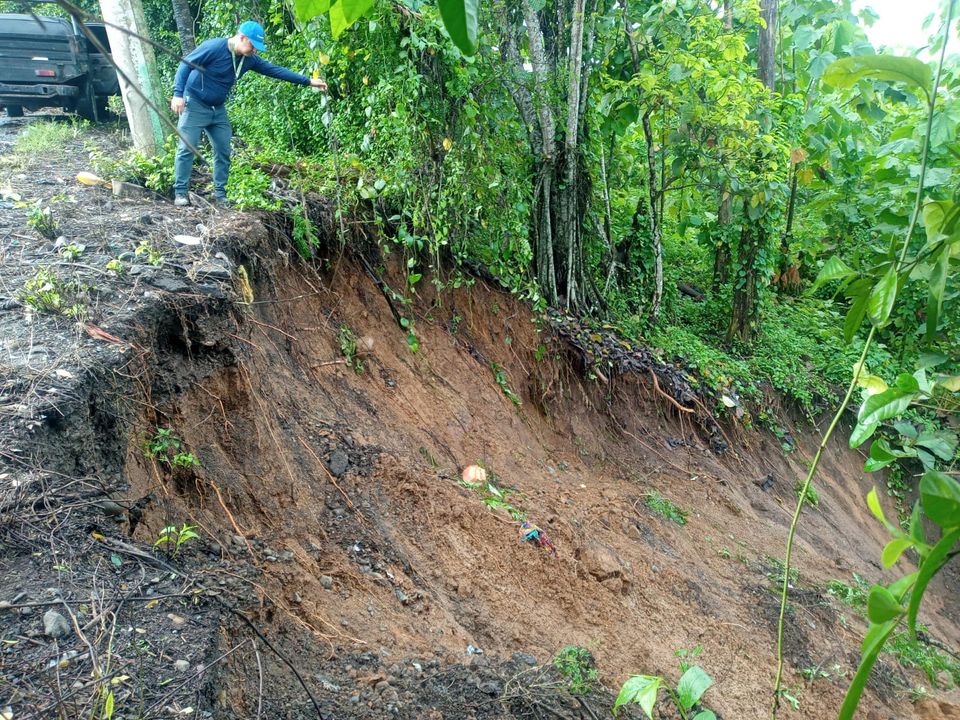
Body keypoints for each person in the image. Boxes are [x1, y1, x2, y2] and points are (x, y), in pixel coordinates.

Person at [170, 20, 326, 207]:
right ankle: (180, 193)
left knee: (223, 151)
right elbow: (185, 65)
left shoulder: (249, 59)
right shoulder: (214, 47)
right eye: (253, 44)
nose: (255, 50)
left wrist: (308, 81)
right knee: (187, 148)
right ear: (242, 37)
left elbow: (274, 70)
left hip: (217, 109)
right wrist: (177, 94)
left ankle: (220, 196)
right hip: (195, 103)